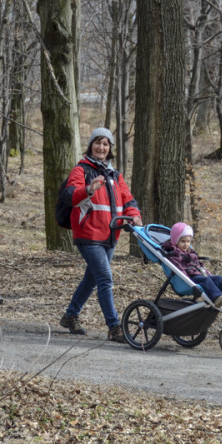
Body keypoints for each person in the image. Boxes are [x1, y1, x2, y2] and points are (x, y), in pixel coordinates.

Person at [59, 127, 142, 342]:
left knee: (91, 278)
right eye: (98, 142)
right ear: (91, 145)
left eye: (106, 144)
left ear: (110, 148)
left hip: (111, 236)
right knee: (105, 278)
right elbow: (70, 195)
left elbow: (129, 200)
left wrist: (134, 215)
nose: (101, 147)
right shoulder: (81, 170)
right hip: (88, 234)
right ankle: (114, 327)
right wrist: (88, 189)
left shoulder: (115, 175)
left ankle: (70, 315)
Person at [161, 222, 222, 307]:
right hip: (189, 278)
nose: (186, 244)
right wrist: (186, 278)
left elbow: (198, 264)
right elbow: (178, 268)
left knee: (219, 278)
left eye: (188, 241)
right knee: (206, 280)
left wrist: (207, 273)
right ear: (176, 241)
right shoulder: (174, 254)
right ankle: (217, 298)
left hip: (199, 274)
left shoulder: (190, 252)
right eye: (183, 241)